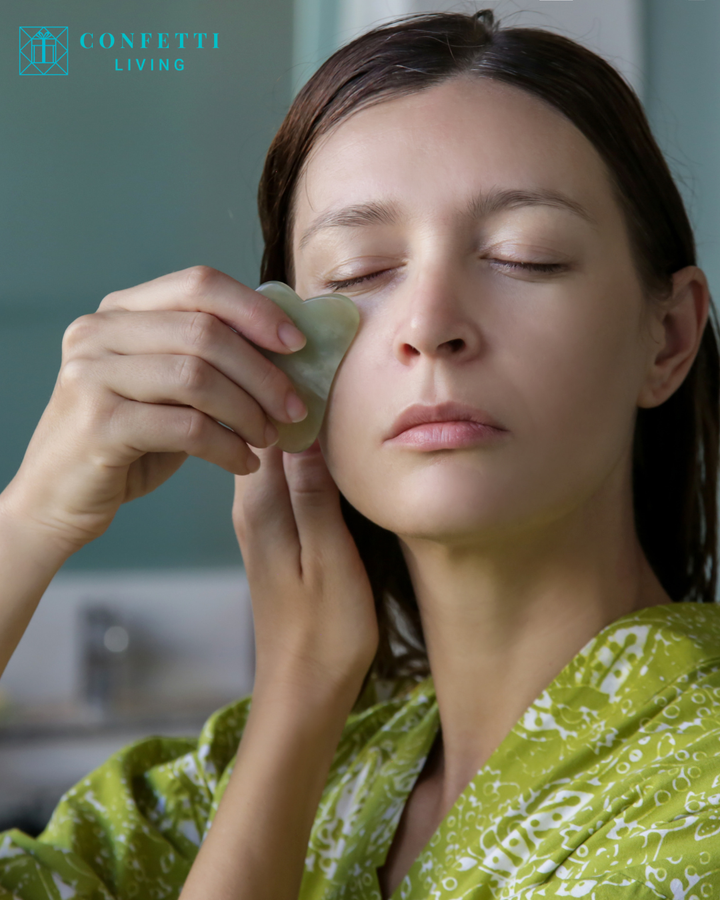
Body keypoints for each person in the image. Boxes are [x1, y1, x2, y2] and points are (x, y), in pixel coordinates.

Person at [0, 7, 718, 899]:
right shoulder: (252, 781)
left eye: (524, 256)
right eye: (357, 275)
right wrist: (29, 520)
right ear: (284, 351)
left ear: (668, 338)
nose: (429, 326)